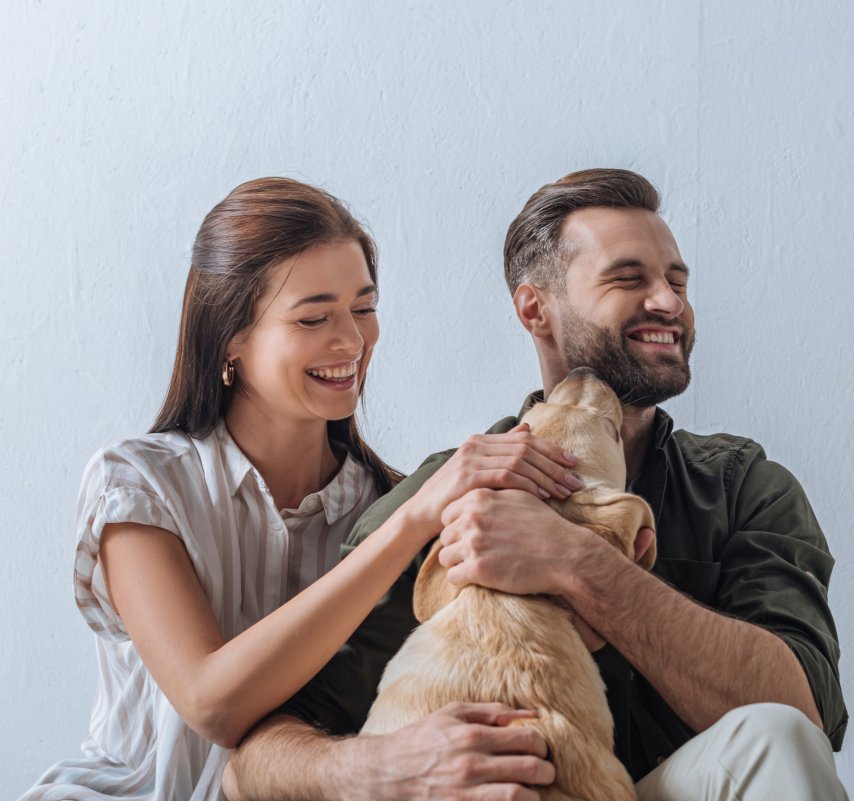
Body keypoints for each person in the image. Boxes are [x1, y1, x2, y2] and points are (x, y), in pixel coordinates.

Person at [225, 169, 854, 801]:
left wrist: (580, 563)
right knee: (769, 747)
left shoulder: (741, 484)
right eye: (628, 278)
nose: (668, 302)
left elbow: (802, 707)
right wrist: (374, 771)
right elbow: (254, 755)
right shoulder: (446, 494)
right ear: (534, 307)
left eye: (677, 280)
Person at [21, 177, 579, 801]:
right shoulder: (140, 485)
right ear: (231, 337)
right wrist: (411, 521)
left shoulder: (381, 505)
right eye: (313, 317)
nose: (351, 341)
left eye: (364, 308)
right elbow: (214, 705)